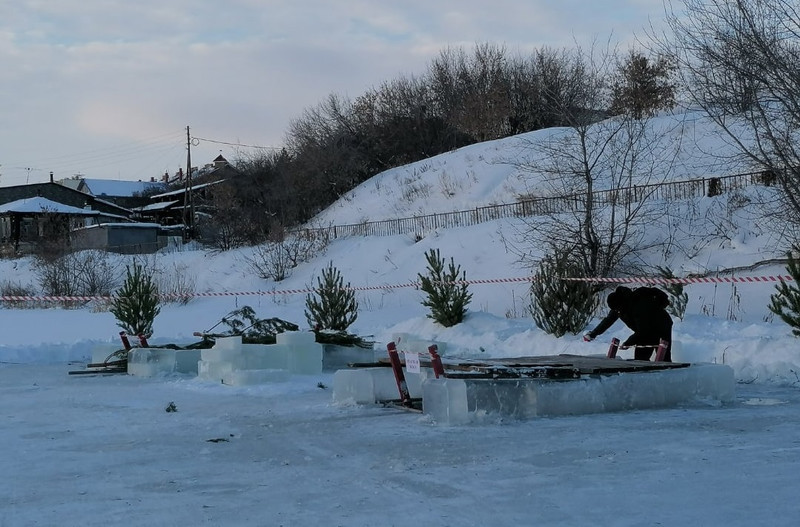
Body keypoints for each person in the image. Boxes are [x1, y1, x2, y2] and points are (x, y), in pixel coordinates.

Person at [583, 285, 673, 362]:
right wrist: (593, 334)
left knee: (664, 358)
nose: (616, 312)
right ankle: (644, 379)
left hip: (661, 326)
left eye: (617, 309)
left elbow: (643, 331)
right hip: (645, 331)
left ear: (621, 304)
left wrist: (628, 342)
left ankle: (669, 378)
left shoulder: (637, 305)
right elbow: (608, 321)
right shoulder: (619, 307)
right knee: (640, 359)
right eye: (614, 310)